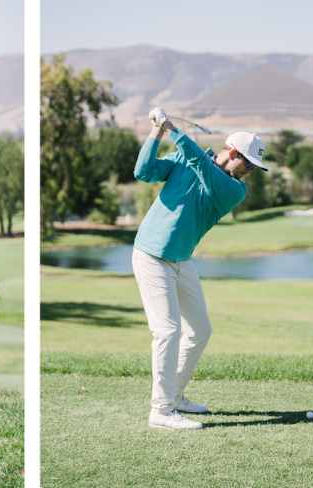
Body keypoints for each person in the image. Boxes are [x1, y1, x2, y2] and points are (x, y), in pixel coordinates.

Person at [134, 108, 266, 430]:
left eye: (254, 166)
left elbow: (200, 164)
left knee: (200, 330)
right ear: (232, 152)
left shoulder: (234, 189)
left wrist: (172, 127)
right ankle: (161, 411)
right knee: (167, 331)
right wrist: (157, 132)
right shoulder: (186, 159)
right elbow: (144, 172)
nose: (251, 170)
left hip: (180, 260)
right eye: (248, 162)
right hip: (152, 255)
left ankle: (175, 396)